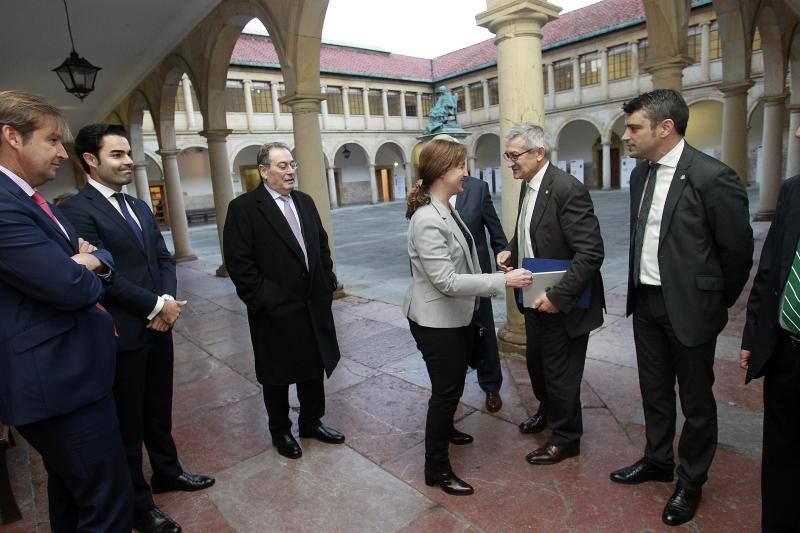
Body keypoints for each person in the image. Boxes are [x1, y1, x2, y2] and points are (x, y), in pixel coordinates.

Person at [60, 124, 214, 533]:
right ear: (90, 160)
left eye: (128, 152)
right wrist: (155, 305)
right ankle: (139, 505)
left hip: (159, 327)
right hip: (122, 333)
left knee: (158, 410)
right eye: (117, 154)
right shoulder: (77, 211)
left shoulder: (140, 206)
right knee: (128, 424)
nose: (128, 160)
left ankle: (168, 471)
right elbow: (104, 275)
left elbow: (163, 258)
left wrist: (167, 303)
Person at [609, 89, 753, 527]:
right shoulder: (640, 175)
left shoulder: (713, 177)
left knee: (695, 400)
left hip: (691, 307)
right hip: (647, 301)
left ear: (665, 127)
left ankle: (690, 481)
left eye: (635, 128)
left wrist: (713, 301)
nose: (627, 136)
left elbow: (737, 252)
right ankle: (657, 460)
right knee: (654, 390)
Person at [0, 91, 133, 531]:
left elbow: (101, 257)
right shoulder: (4, 204)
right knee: (106, 504)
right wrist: (85, 263)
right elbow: (71, 285)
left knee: (74, 498)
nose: (62, 153)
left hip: (70, 376)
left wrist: (88, 261)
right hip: (57, 386)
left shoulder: (30, 199)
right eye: (53, 140)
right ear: (11, 137)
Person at [403, 135, 533, 496]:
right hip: (436, 321)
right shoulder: (428, 218)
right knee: (445, 394)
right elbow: (444, 280)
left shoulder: (446, 208)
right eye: (460, 165)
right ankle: (437, 469)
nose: (466, 172)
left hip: (455, 315)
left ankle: (445, 431)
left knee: (452, 386)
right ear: (443, 171)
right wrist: (501, 281)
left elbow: (467, 259)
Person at [223, 141, 344, 460]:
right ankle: (281, 431)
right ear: (263, 171)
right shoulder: (244, 208)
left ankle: (311, 422)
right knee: (276, 374)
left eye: (292, 164)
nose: (291, 170)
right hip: (273, 310)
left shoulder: (305, 201)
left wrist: (326, 281)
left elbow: (320, 245)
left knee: (313, 366)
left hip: (311, 304)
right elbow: (239, 263)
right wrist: (265, 301)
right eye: (282, 166)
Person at [497, 123, 606, 466]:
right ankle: (548, 413)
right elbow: (530, 229)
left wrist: (558, 297)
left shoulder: (566, 189)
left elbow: (590, 252)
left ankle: (567, 438)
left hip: (563, 302)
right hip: (534, 298)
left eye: (514, 155)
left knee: (561, 374)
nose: (510, 162)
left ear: (539, 152)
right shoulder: (527, 187)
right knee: (538, 365)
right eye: (508, 155)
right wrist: (511, 250)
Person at [740, 123, 800, 533]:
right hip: (786, 351)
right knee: (781, 458)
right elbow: (770, 271)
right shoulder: (794, 190)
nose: (795, 133)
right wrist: (754, 335)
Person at [451, 174, 508, 412]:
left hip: (477, 276)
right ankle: (451, 391)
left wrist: (502, 257)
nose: (463, 169)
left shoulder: (477, 188)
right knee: (451, 337)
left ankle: (491, 386)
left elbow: (495, 229)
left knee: (484, 330)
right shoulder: (427, 190)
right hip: (446, 279)